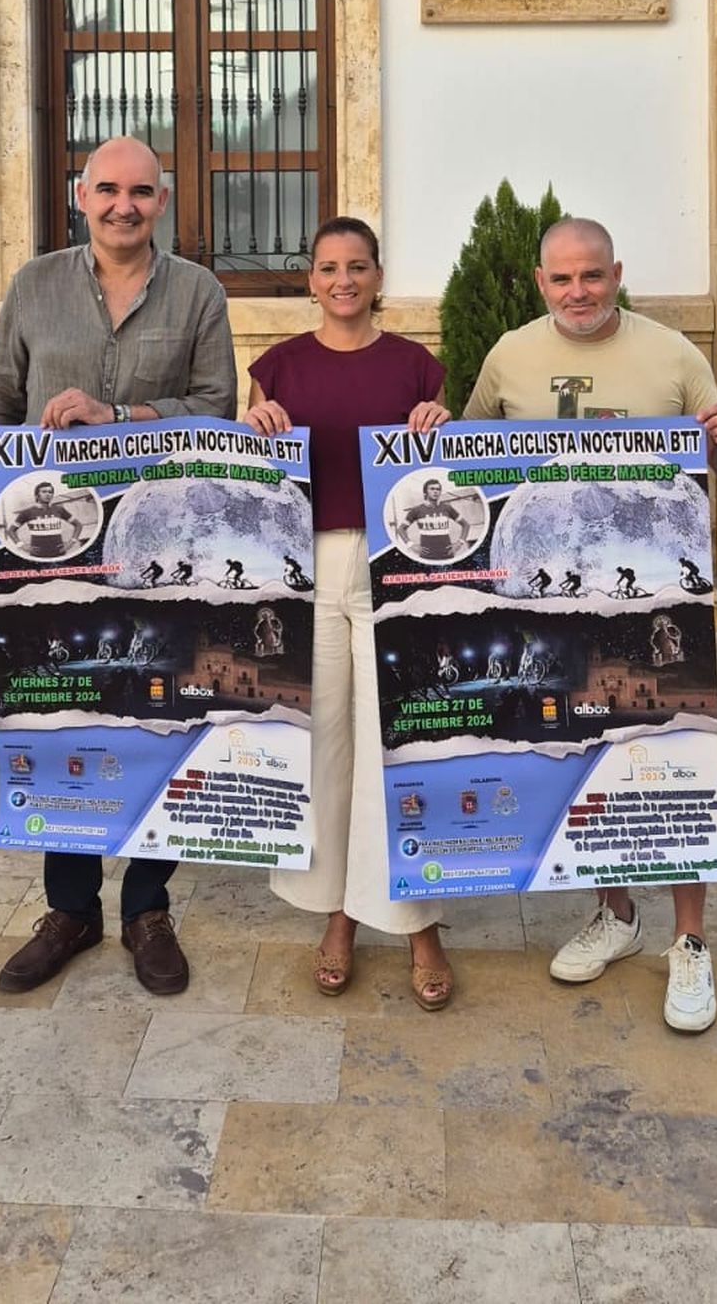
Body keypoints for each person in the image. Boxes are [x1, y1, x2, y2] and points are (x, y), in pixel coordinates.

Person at [0, 136, 236, 998]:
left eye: (140, 191)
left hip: (159, 548)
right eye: (107, 189)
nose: (123, 205)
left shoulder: (199, 292)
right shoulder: (34, 285)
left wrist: (120, 413)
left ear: (163, 201)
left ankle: (149, 907)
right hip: (52, 551)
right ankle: (70, 910)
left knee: (160, 710)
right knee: (62, 710)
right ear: (81, 195)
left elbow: (217, 408)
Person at [465, 214, 717, 1034]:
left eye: (591, 275)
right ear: (539, 283)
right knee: (587, 746)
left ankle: (689, 940)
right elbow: (464, 456)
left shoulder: (674, 354)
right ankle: (616, 913)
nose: (577, 291)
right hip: (559, 601)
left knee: (674, 758)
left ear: (617, 274)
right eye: (561, 278)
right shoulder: (509, 356)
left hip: (655, 599)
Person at [244, 215, 457, 1011]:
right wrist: (250, 430)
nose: (343, 279)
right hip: (308, 561)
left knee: (395, 739)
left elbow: (442, 478)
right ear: (311, 278)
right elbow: (252, 479)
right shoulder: (276, 366)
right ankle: (338, 914)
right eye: (329, 266)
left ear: (378, 276)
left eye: (357, 266)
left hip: (391, 560)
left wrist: (441, 428)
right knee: (327, 741)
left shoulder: (416, 365)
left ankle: (418, 925)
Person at [399, 477, 469, 561]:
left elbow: (466, 525)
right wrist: (411, 545)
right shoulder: (416, 510)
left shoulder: (447, 508)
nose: (435, 491)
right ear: (425, 492)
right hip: (426, 557)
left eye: (438, 489)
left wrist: (459, 543)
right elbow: (401, 529)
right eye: (432, 489)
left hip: (447, 555)